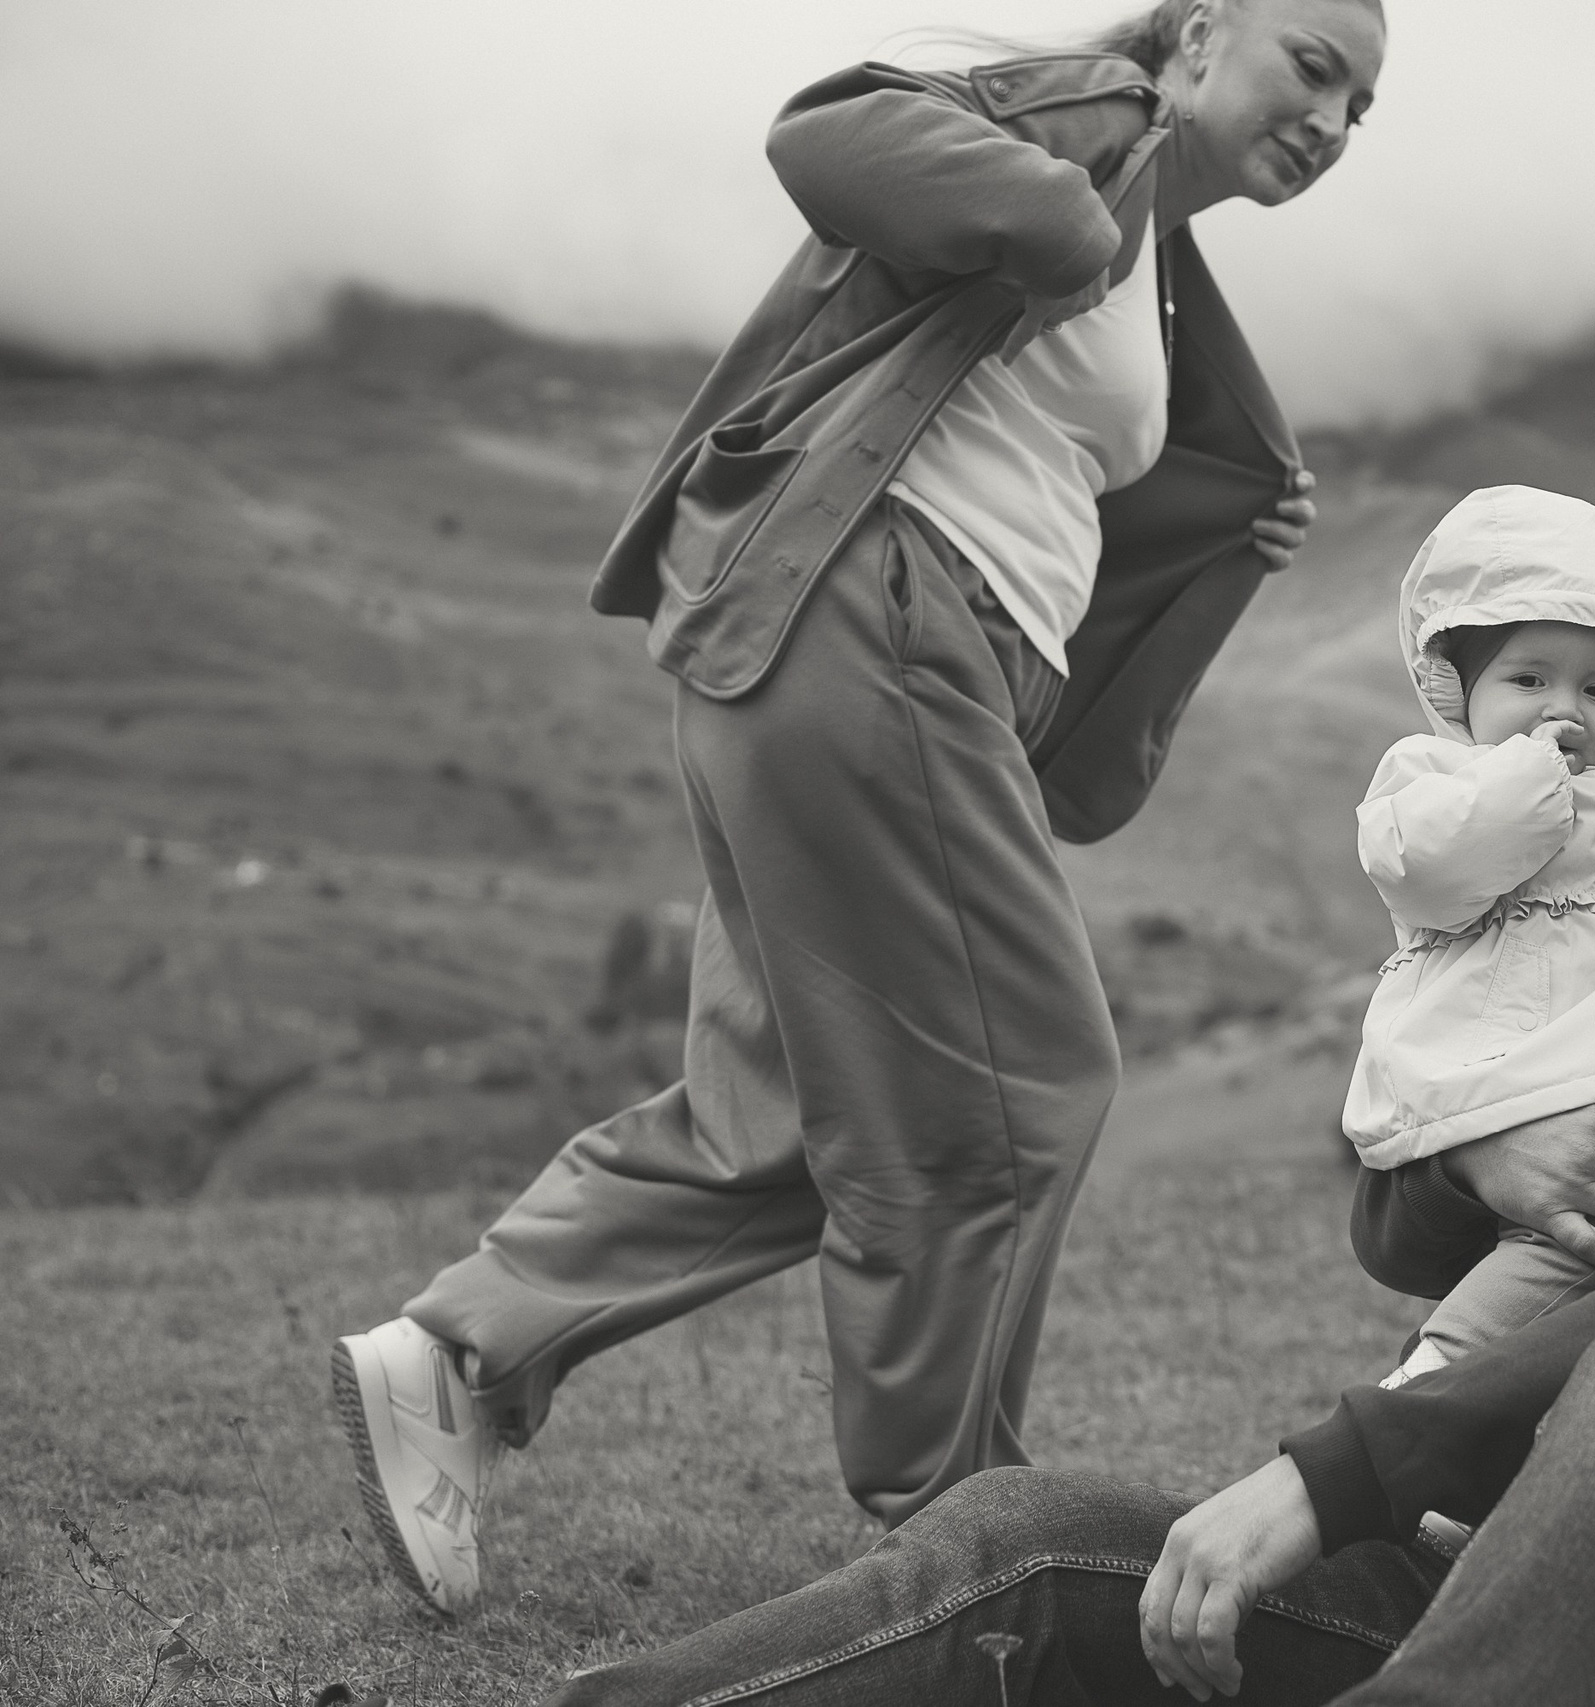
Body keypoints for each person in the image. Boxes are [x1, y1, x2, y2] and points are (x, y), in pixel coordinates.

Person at [538, 519, 1595, 1707]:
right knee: (1036, 1534)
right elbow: (1396, 1231)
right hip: (1553, 1571)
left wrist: (1328, 1479)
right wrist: (1480, 1154)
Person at [329, 0, 1390, 1616]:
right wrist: (1051, 213)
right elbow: (828, 130)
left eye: (1361, 107)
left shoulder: (1164, 262)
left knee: (782, 1116)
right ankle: (959, 1544)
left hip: (870, 655)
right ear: (1196, 37)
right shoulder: (1093, 125)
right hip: (881, 613)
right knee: (1030, 1079)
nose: (1333, 117)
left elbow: (1064, 449)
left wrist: (1235, 511)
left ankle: (458, 1349)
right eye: (1314, 64)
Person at [1344, 486, 1595, 1390]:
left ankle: (1482, 1421)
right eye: (1528, 680)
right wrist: (1531, 771)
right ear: (1455, 684)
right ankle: (1435, 1386)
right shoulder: (1438, 775)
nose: (1565, 709)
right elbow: (1424, 865)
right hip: (1509, 1071)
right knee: (1567, 1238)